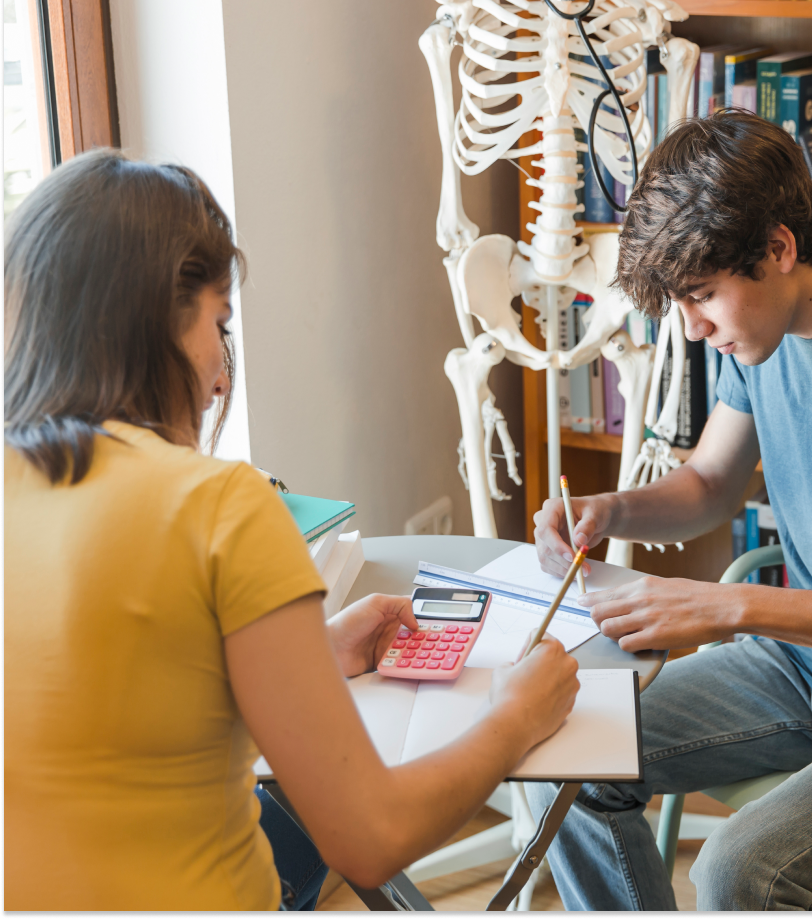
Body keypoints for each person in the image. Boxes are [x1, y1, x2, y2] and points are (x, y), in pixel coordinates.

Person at [5, 150, 581, 912]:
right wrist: (516, 718)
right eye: (219, 324)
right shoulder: (219, 505)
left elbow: (98, 709)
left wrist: (303, 661)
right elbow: (370, 834)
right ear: (158, 321)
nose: (219, 375)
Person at [530, 111, 812, 912]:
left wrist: (733, 608)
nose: (693, 328)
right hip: (797, 669)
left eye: (702, 297)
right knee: (563, 759)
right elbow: (710, 487)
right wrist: (607, 508)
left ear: (780, 248)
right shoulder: (762, 332)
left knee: (735, 867)